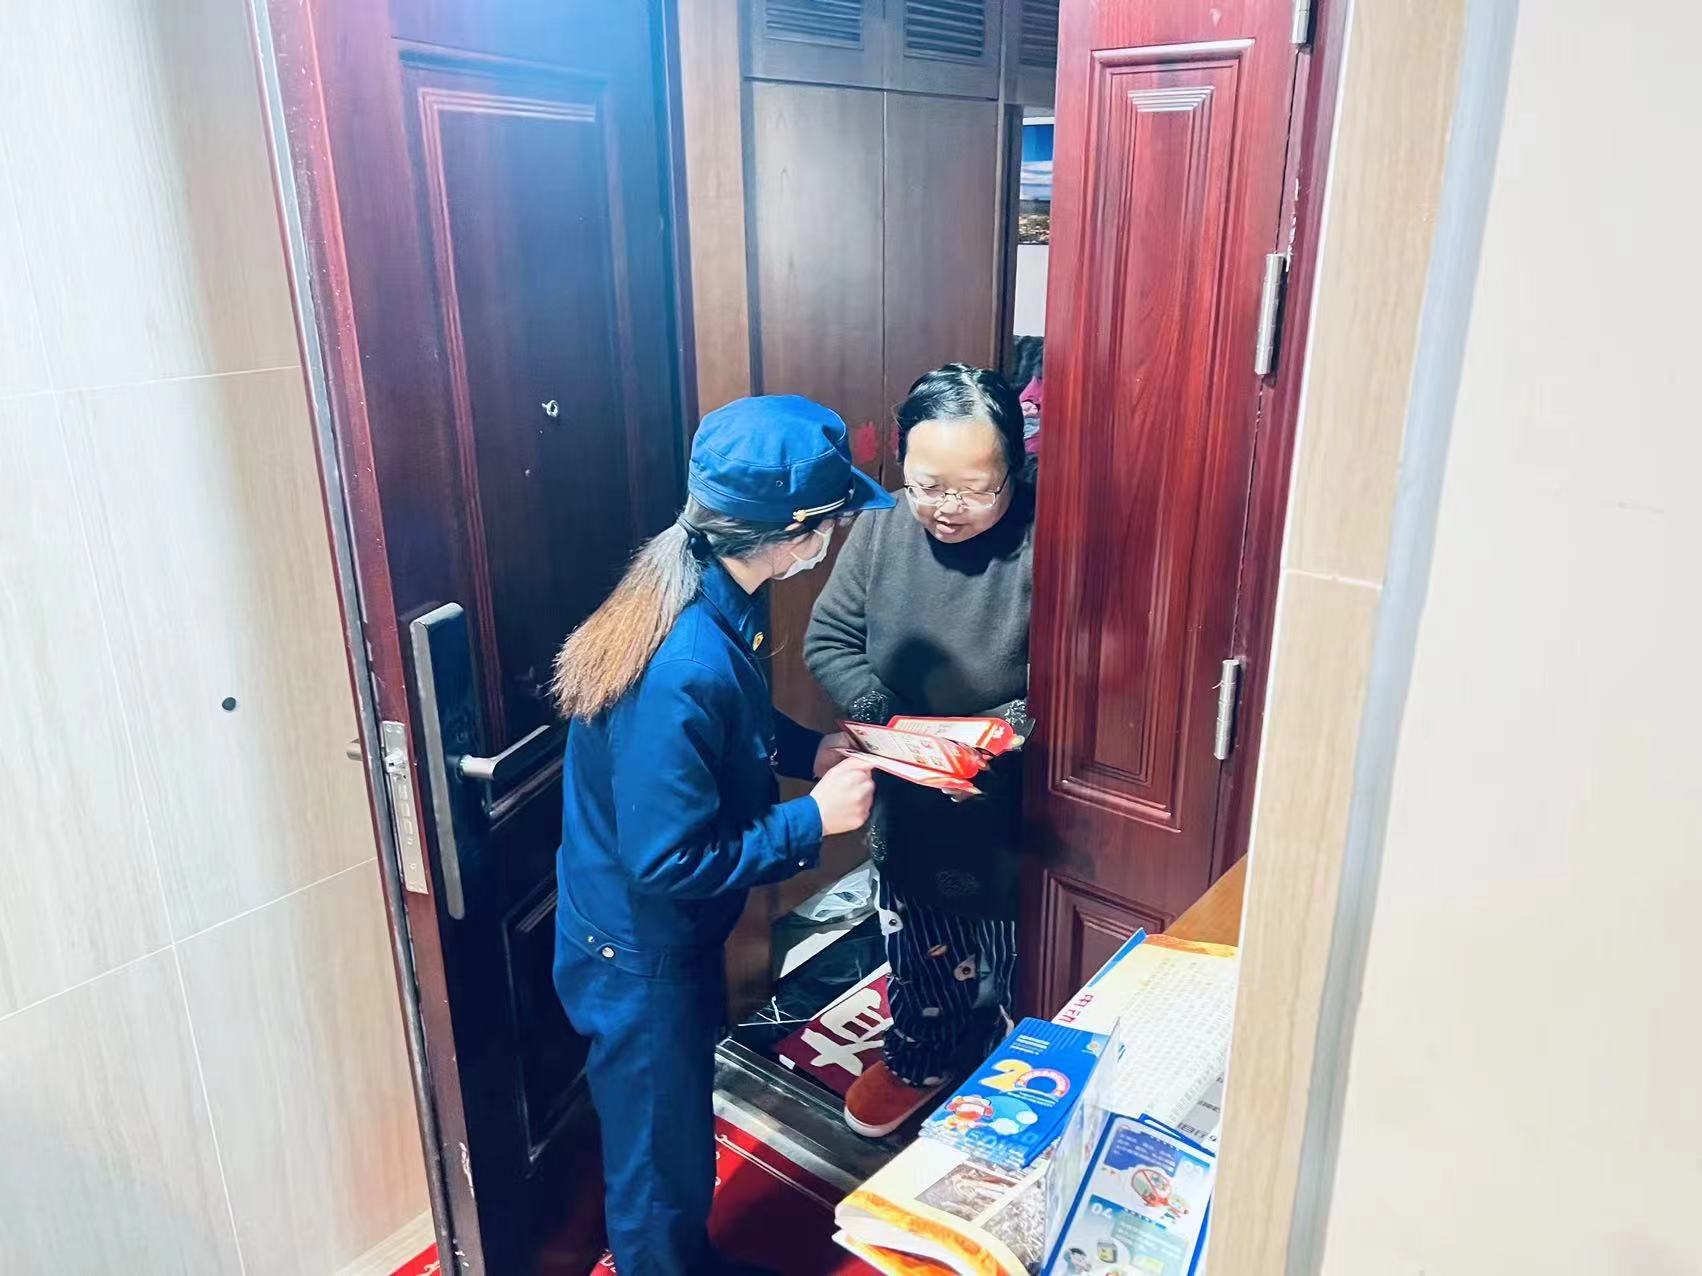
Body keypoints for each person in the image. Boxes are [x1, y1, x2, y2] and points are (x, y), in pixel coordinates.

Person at [551, 395, 888, 1276]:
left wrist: (808, 751)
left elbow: (730, 727)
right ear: (795, 532)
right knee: (657, 1170)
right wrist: (813, 820)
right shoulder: (683, 658)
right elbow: (668, 861)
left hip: (645, 933)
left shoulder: (699, 579)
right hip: (639, 950)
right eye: (832, 523)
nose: (832, 540)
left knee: (671, 1141)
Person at [805, 363, 1036, 1137]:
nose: (947, 508)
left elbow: (1085, 674)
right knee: (921, 940)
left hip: (1012, 793)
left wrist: (993, 735)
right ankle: (923, 1053)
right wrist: (900, 729)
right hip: (907, 785)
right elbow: (830, 638)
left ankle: (1016, 1062)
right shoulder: (882, 525)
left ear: (1014, 469)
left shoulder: (1047, 534)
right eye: (928, 485)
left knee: (1019, 954)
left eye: (975, 488)